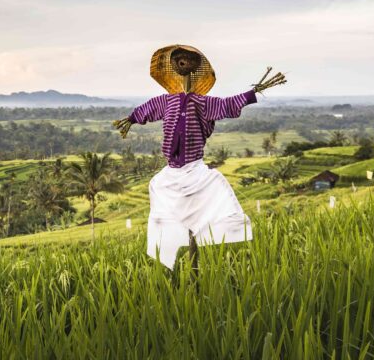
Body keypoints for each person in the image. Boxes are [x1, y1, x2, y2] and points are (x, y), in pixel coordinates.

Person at [113, 45, 285, 269]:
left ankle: (207, 240)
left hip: (195, 169)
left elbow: (227, 105)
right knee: (159, 197)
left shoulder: (203, 103)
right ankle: (171, 246)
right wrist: (131, 119)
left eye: (186, 60)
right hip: (172, 170)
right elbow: (147, 109)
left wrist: (253, 93)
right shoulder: (167, 101)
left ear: (194, 68)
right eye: (179, 60)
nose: (182, 63)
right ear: (174, 67)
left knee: (216, 198)